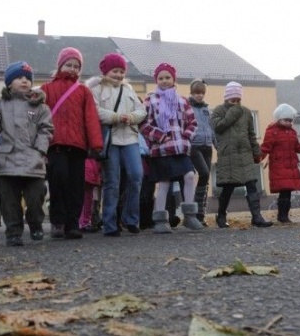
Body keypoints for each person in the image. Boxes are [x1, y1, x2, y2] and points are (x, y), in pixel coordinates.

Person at [0, 60, 54, 247]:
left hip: (33, 161)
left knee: (36, 198)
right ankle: (13, 231)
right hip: (7, 161)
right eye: (19, 77)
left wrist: (41, 150)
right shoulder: (0, 105)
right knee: (9, 201)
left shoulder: (41, 107)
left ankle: (35, 223)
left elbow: (46, 129)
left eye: (27, 78)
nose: (24, 81)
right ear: (9, 82)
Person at [40, 48, 103, 240]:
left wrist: (96, 144)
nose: (73, 69)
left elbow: (90, 118)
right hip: (55, 143)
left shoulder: (83, 91)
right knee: (58, 180)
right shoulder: (46, 89)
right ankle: (58, 221)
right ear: (60, 65)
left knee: (76, 185)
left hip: (78, 145)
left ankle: (72, 223)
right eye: (69, 65)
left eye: (77, 66)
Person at [86, 52, 147, 236]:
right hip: (110, 138)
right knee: (112, 181)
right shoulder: (96, 89)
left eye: (121, 71)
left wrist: (132, 117)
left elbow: (141, 110)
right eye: (115, 71)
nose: (119, 75)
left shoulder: (128, 90)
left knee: (136, 175)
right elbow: (95, 111)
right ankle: (110, 223)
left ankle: (131, 219)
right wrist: (116, 117)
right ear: (106, 71)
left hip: (130, 138)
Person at [141, 63, 204, 233]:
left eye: (167, 77)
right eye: (160, 78)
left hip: (180, 148)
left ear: (173, 79)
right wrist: (160, 136)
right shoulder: (151, 100)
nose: (164, 81)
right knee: (164, 182)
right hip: (161, 149)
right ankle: (161, 219)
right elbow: (144, 124)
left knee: (190, 175)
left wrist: (186, 136)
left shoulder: (181, 100)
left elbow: (193, 122)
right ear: (156, 80)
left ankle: (190, 216)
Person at [210, 81, 270, 228]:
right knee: (228, 187)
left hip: (245, 154)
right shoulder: (218, 111)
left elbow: (251, 134)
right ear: (226, 98)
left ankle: (257, 216)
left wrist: (257, 152)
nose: (236, 103)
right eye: (233, 100)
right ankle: (221, 215)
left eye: (238, 100)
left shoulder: (247, 112)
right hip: (228, 156)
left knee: (251, 184)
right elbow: (218, 127)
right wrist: (232, 112)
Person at [260, 103, 300, 223]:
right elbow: (266, 147)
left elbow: (296, 146)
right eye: (285, 120)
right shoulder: (272, 131)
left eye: (290, 120)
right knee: (284, 192)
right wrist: (258, 157)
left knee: (287, 193)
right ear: (279, 118)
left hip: (290, 166)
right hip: (279, 166)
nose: (288, 122)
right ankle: (282, 216)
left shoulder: (292, 132)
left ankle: (284, 215)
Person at [188, 79, 216, 225]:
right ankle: (193, 210)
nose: (199, 96)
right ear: (192, 93)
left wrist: (216, 144)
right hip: (194, 145)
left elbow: (211, 128)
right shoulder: (188, 107)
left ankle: (201, 213)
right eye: (196, 93)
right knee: (203, 173)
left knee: (205, 179)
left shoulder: (206, 109)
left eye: (202, 93)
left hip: (207, 145)